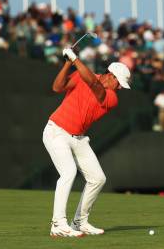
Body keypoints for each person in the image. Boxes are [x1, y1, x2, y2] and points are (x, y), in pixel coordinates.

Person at [43, 46, 131, 238]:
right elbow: (57, 87)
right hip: (56, 130)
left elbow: (95, 86)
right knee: (68, 173)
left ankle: (80, 222)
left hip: (79, 138)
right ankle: (58, 224)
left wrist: (75, 59)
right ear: (111, 76)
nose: (119, 88)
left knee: (98, 178)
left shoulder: (111, 97)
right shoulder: (83, 75)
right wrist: (68, 63)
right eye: (120, 84)